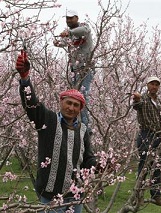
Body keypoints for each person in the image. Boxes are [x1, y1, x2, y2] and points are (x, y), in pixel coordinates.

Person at [16, 50, 97, 213]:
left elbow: (87, 158)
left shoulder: (83, 130)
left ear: (80, 109)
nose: (71, 108)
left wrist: (100, 165)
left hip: (75, 195)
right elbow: (31, 105)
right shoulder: (48, 120)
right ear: (61, 102)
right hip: (50, 194)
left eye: (76, 105)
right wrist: (25, 79)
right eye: (69, 103)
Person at [132, 76, 161, 207]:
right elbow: (137, 106)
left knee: (157, 166)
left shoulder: (158, 101)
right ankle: (138, 196)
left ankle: (156, 195)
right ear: (147, 85)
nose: (154, 86)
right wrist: (136, 98)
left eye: (157, 84)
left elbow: (160, 118)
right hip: (146, 134)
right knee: (144, 167)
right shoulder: (143, 98)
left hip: (157, 136)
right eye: (152, 84)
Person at [53, 9, 94, 132]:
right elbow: (63, 43)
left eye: (71, 18)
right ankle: (73, 122)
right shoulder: (70, 34)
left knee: (83, 95)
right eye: (67, 18)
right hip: (74, 70)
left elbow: (85, 31)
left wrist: (68, 32)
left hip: (86, 68)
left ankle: (86, 126)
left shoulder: (83, 27)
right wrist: (57, 43)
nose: (69, 20)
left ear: (77, 18)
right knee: (73, 97)